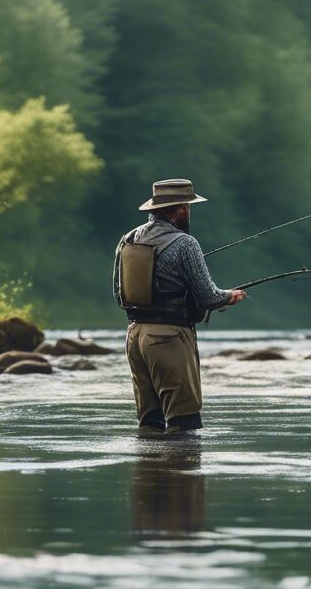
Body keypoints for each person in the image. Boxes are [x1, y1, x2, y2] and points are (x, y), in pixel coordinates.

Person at [113, 179, 247, 433]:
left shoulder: (127, 239)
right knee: (184, 424)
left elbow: (119, 296)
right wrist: (229, 295)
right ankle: (181, 473)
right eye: (188, 206)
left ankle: (149, 472)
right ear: (181, 209)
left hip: (135, 337)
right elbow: (208, 297)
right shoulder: (186, 243)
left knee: (149, 423)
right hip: (170, 338)